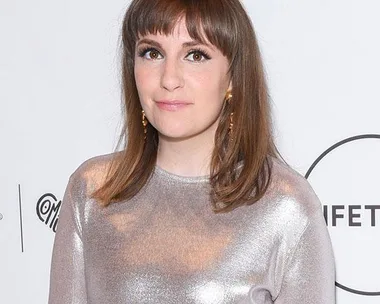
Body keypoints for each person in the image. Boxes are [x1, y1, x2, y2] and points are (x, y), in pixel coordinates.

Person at [48, 0, 335, 303]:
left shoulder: (285, 205)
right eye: (152, 53)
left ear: (233, 76)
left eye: (195, 55)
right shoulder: (92, 191)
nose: (169, 79)